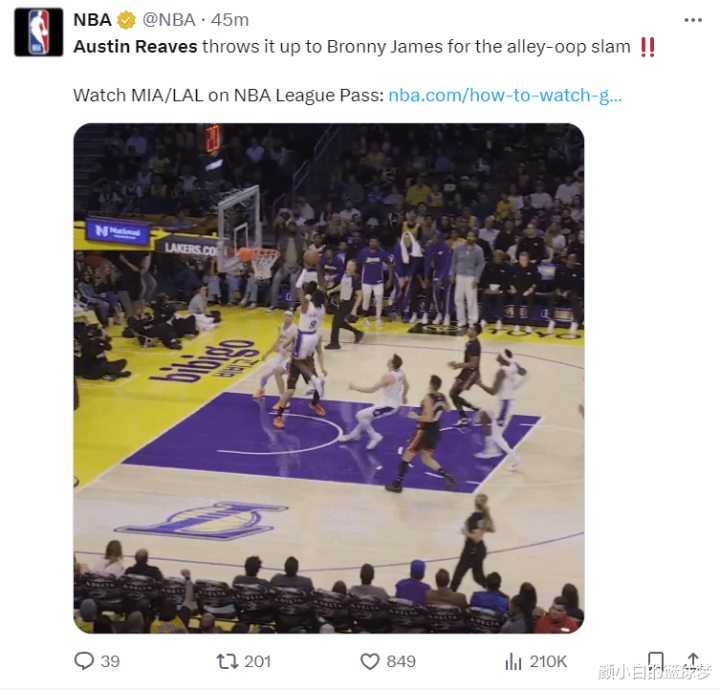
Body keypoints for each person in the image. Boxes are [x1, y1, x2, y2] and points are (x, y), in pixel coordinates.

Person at [386, 375, 455, 493]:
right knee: (425, 458)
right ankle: (445, 474)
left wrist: (416, 416)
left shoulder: (428, 397)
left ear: (431, 384)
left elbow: (429, 418)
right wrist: (439, 406)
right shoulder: (442, 397)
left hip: (424, 431)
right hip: (435, 432)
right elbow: (448, 409)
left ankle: (398, 483)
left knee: (406, 456)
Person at [274, 284, 327, 429]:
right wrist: (282, 347)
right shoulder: (300, 331)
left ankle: (314, 404)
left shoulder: (316, 335)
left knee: (319, 385)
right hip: (296, 363)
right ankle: (278, 416)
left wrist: (322, 367)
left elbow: (320, 352)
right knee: (290, 391)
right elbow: (288, 340)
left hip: (308, 363)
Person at [339, 354, 409, 450]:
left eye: (390, 359)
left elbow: (371, 389)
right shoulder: (401, 373)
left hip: (388, 406)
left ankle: (374, 436)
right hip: (391, 403)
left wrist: (355, 388)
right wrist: (404, 396)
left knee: (360, 415)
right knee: (366, 418)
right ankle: (354, 434)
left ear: (392, 364)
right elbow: (407, 385)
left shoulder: (389, 377)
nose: (388, 359)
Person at [475, 349, 528, 470]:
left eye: (499, 354)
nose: (497, 355)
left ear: (503, 358)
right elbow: (526, 374)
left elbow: (493, 392)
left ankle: (516, 460)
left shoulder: (501, 372)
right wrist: (515, 386)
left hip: (505, 406)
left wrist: (479, 384)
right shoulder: (514, 365)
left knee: (496, 436)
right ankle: (490, 449)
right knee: (485, 416)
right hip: (501, 403)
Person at [450, 493, 494, 591]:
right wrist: (482, 530)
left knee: (458, 575)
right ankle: (493, 591)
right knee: (478, 577)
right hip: (480, 550)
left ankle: (450, 596)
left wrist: (466, 533)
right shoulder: (485, 516)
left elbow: (476, 538)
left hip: (471, 551)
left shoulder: (474, 518)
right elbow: (492, 529)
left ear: (475, 503)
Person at [254, 311, 298, 403]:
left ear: (292, 318)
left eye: (289, 316)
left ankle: (283, 399)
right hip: (281, 355)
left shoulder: (295, 329)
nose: (287, 317)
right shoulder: (281, 326)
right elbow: (278, 342)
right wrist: (268, 353)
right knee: (265, 375)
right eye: (286, 315)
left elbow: (297, 345)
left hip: (290, 356)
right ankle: (262, 389)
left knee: (281, 375)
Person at [450, 230, 485, 335]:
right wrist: (452, 273)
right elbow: (453, 261)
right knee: (458, 299)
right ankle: (461, 320)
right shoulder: (459, 247)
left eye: (472, 236)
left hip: (471, 277)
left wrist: (477, 279)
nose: (470, 238)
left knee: (471, 300)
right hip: (459, 275)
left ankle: (472, 321)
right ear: (466, 237)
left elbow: (481, 264)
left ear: (475, 238)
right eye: (468, 236)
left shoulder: (478, 250)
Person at [325, 259, 363, 349]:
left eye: (352, 265)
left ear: (355, 268)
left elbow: (360, 295)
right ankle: (357, 332)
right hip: (343, 302)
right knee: (339, 322)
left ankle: (334, 343)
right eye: (348, 265)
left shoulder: (355, 279)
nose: (349, 267)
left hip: (349, 303)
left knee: (335, 322)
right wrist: (332, 290)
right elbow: (342, 285)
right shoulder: (345, 275)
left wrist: (354, 309)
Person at [448, 325, 481, 427]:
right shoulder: (470, 343)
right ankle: (475, 410)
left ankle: (465, 416)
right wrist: (458, 365)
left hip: (470, 373)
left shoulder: (474, 345)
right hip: (466, 371)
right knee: (453, 393)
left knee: (453, 394)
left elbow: (473, 364)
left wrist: (458, 365)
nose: (468, 330)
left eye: (471, 329)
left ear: (475, 332)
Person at [356, 236, 392, 328]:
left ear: (378, 243)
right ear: (369, 242)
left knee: (379, 299)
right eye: (371, 241)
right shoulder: (363, 252)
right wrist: (357, 275)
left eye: (375, 242)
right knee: (366, 299)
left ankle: (378, 318)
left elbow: (389, 264)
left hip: (378, 280)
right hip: (366, 280)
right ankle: (365, 318)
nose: (373, 243)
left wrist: (390, 279)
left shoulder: (382, 252)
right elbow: (357, 264)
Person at [546, 253, 583, 334]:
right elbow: (555, 282)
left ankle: (575, 321)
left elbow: (578, 286)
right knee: (552, 296)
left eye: (573, 260)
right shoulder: (560, 269)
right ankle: (551, 319)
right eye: (570, 260)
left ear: (576, 261)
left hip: (571, 291)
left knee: (575, 298)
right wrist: (557, 290)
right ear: (567, 260)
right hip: (560, 290)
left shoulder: (578, 270)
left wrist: (568, 291)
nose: (571, 262)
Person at [391, 231, 424, 322]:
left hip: (410, 272)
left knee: (407, 291)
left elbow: (415, 264)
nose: (406, 240)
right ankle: (392, 307)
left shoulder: (416, 247)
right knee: (398, 288)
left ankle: (405, 312)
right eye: (405, 238)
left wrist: (408, 275)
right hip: (398, 272)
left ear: (411, 239)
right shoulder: (398, 246)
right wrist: (401, 276)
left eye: (408, 238)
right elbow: (397, 262)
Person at [423, 230, 453, 326]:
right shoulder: (430, 247)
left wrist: (442, 278)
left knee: (446, 295)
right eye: (433, 237)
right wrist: (426, 277)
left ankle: (447, 315)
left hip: (447, 273)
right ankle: (439, 313)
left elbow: (448, 264)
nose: (434, 239)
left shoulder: (446, 247)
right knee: (436, 293)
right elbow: (427, 264)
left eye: (436, 237)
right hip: (437, 272)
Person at [480, 250, 512, 330]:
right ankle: (483, 319)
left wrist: (500, 289)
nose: (496, 258)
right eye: (495, 256)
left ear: (502, 257)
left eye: (498, 256)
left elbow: (508, 281)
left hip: (501, 288)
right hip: (489, 288)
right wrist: (487, 287)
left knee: (501, 297)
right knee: (484, 295)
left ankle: (499, 320)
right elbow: (484, 278)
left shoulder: (507, 266)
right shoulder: (488, 265)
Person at [509, 252, 540, 334]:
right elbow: (509, 278)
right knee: (516, 303)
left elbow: (537, 279)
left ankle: (529, 324)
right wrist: (512, 287)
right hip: (518, 289)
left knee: (530, 303)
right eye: (521, 260)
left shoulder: (533, 267)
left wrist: (532, 288)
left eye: (524, 260)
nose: (523, 261)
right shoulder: (515, 267)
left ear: (528, 260)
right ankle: (517, 323)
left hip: (529, 289)